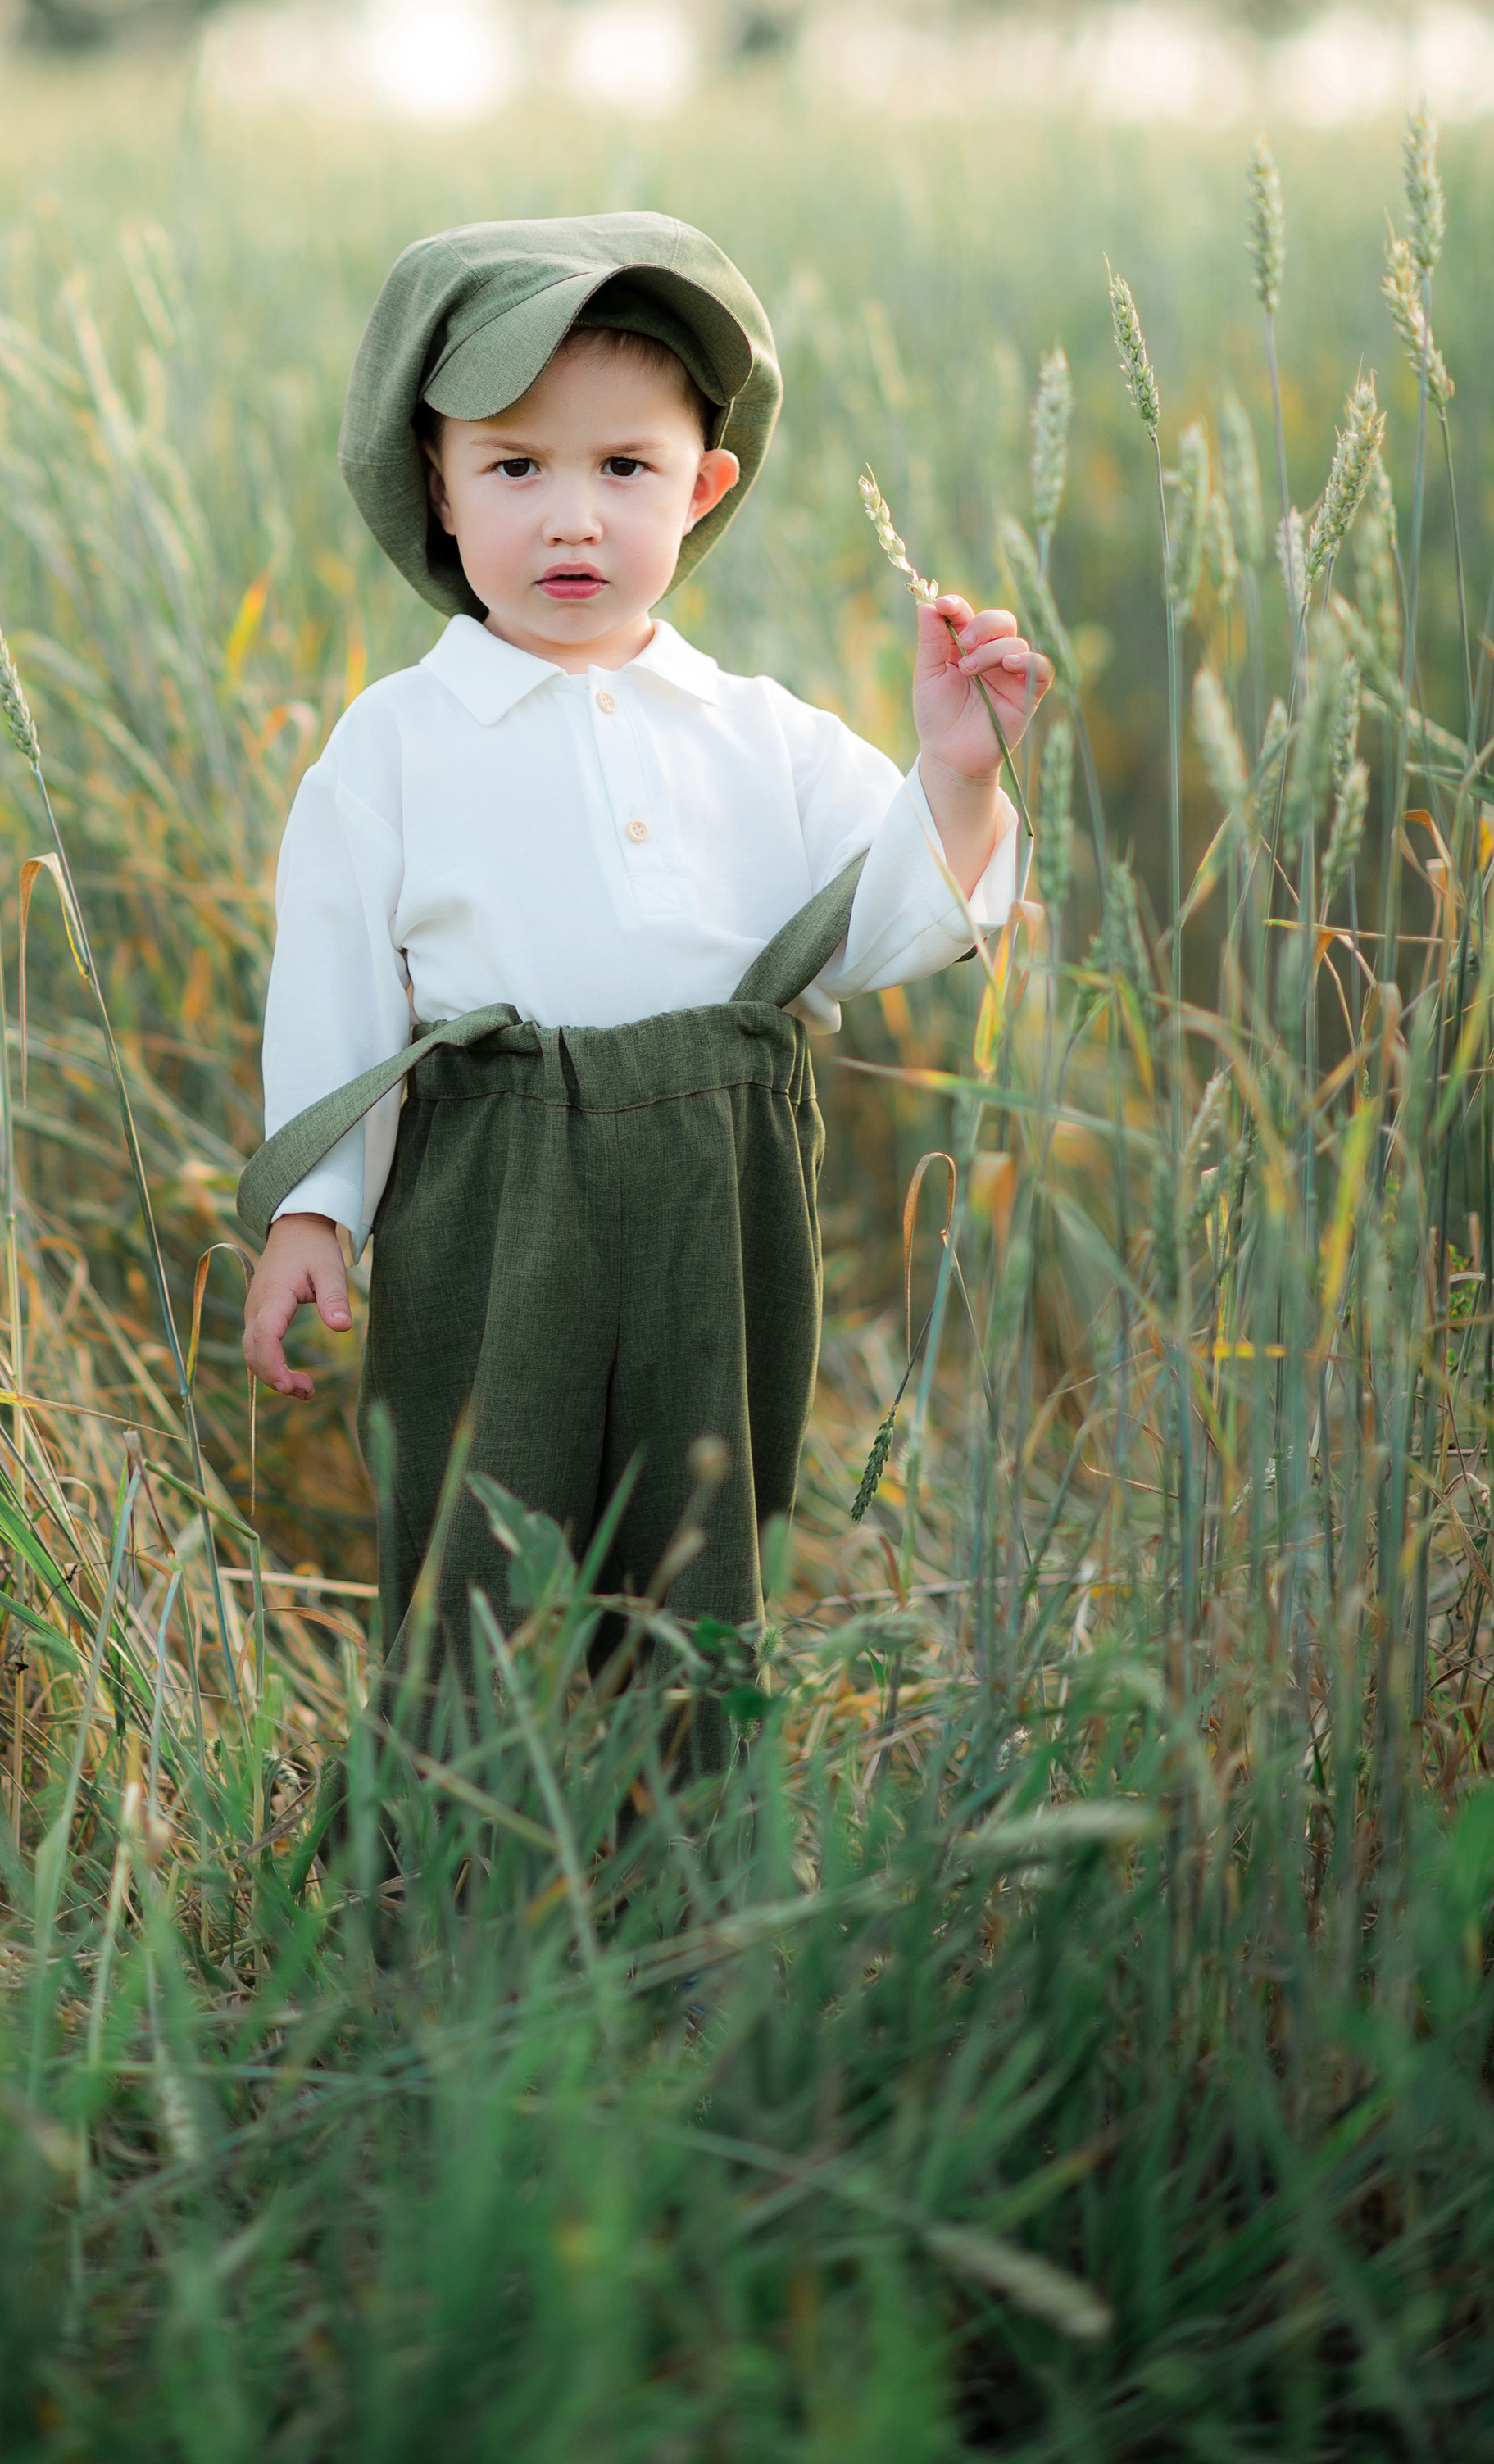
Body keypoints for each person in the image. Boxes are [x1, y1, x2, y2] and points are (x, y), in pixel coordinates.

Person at [237, 213, 1043, 1716]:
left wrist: (959, 775)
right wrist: (313, 1209)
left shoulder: (761, 730)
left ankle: (679, 1859)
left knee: (702, 1529)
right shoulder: (396, 746)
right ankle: (470, 1851)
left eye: (624, 470)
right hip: (497, 1185)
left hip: (718, 1184)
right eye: (516, 467)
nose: (571, 520)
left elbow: (894, 915)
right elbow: (336, 991)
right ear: (437, 480)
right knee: (486, 1518)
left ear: (704, 486)